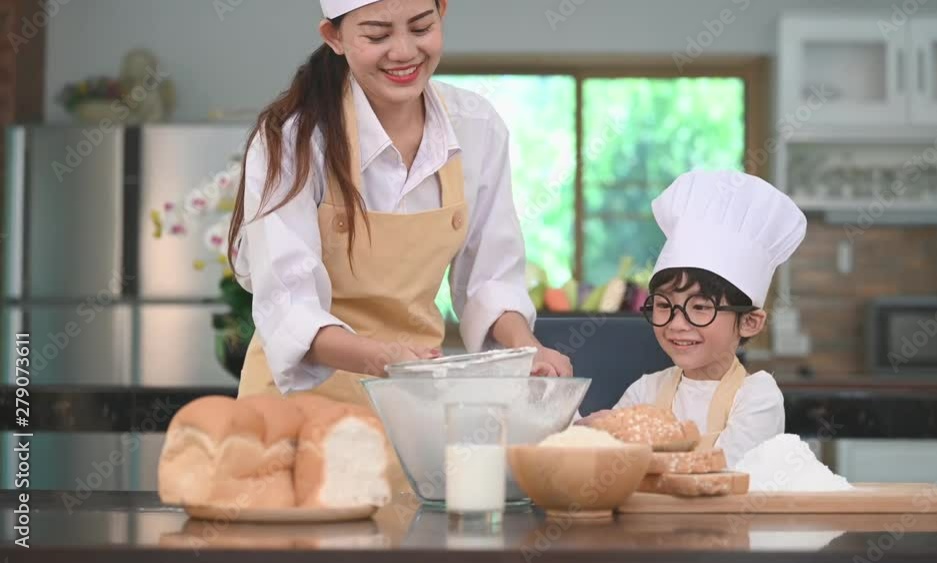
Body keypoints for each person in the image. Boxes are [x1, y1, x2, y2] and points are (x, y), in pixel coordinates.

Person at [227, 0, 572, 495]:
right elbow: (288, 305)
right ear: (334, 37)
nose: (404, 51)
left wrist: (526, 349)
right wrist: (384, 359)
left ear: (442, 13)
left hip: (411, 409)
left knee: (406, 528)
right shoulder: (294, 137)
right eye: (377, 34)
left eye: (421, 26)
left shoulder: (476, 126)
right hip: (297, 407)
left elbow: (490, 279)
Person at [587, 170, 807, 466]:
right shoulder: (646, 390)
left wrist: (626, 445)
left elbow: (728, 470)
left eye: (700, 307)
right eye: (664, 305)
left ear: (749, 322)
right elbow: (612, 465)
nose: (677, 324)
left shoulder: (756, 396)